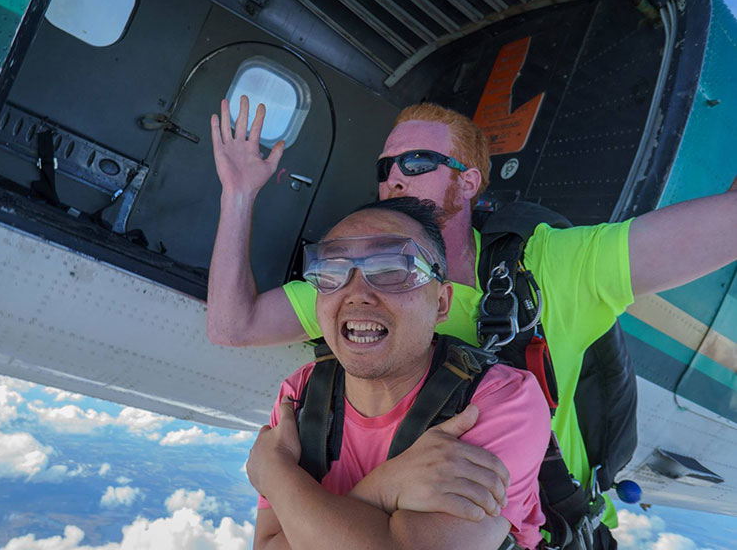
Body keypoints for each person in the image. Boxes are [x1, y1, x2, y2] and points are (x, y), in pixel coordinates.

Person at [207, 95, 737, 526]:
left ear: (468, 181)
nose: (393, 179)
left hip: (545, 528)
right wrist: (239, 193)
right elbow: (233, 325)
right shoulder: (357, 277)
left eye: (416, 164)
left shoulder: (550, 265)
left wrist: (279, 478)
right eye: (385, 167)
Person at [246, 197, 550, 549]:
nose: (356, 294)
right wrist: (384, 489)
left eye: (392, 269)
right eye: (331, 271)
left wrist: (277, 476)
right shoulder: (300, 396)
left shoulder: (497, 402)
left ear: (441, 304)